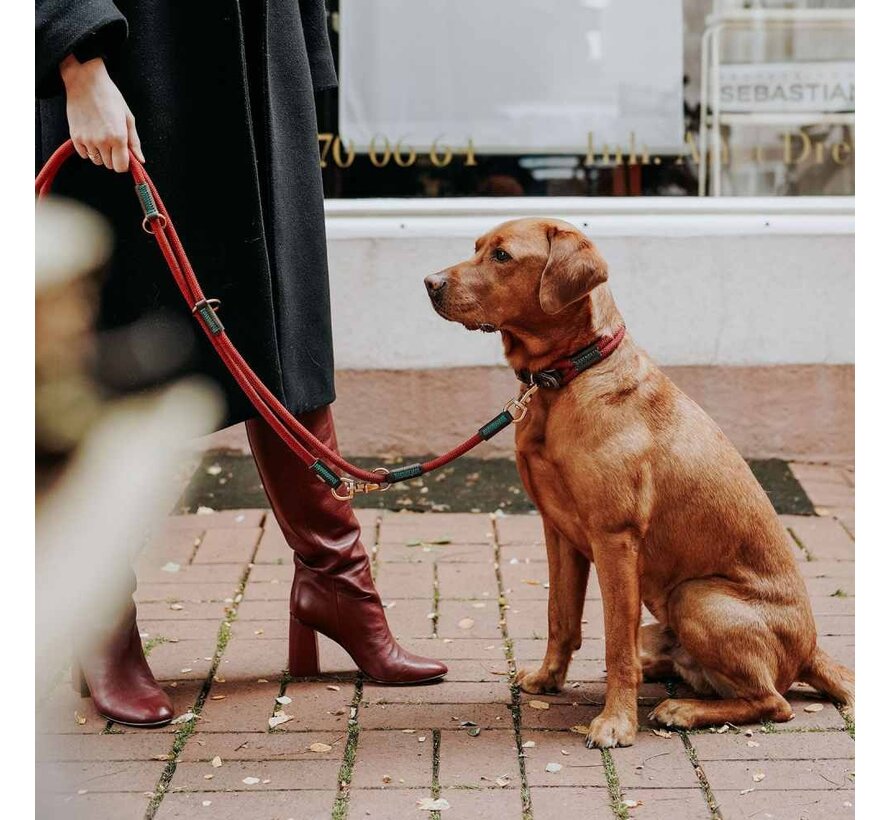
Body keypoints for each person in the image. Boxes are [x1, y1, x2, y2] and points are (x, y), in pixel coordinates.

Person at [36, 0, 446, 728]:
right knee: (120, 347)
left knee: (283, 343)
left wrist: (305, 62)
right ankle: (102, 624)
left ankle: (339, 588)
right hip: (139, 61)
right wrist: (77, 60)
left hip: (262, 60)